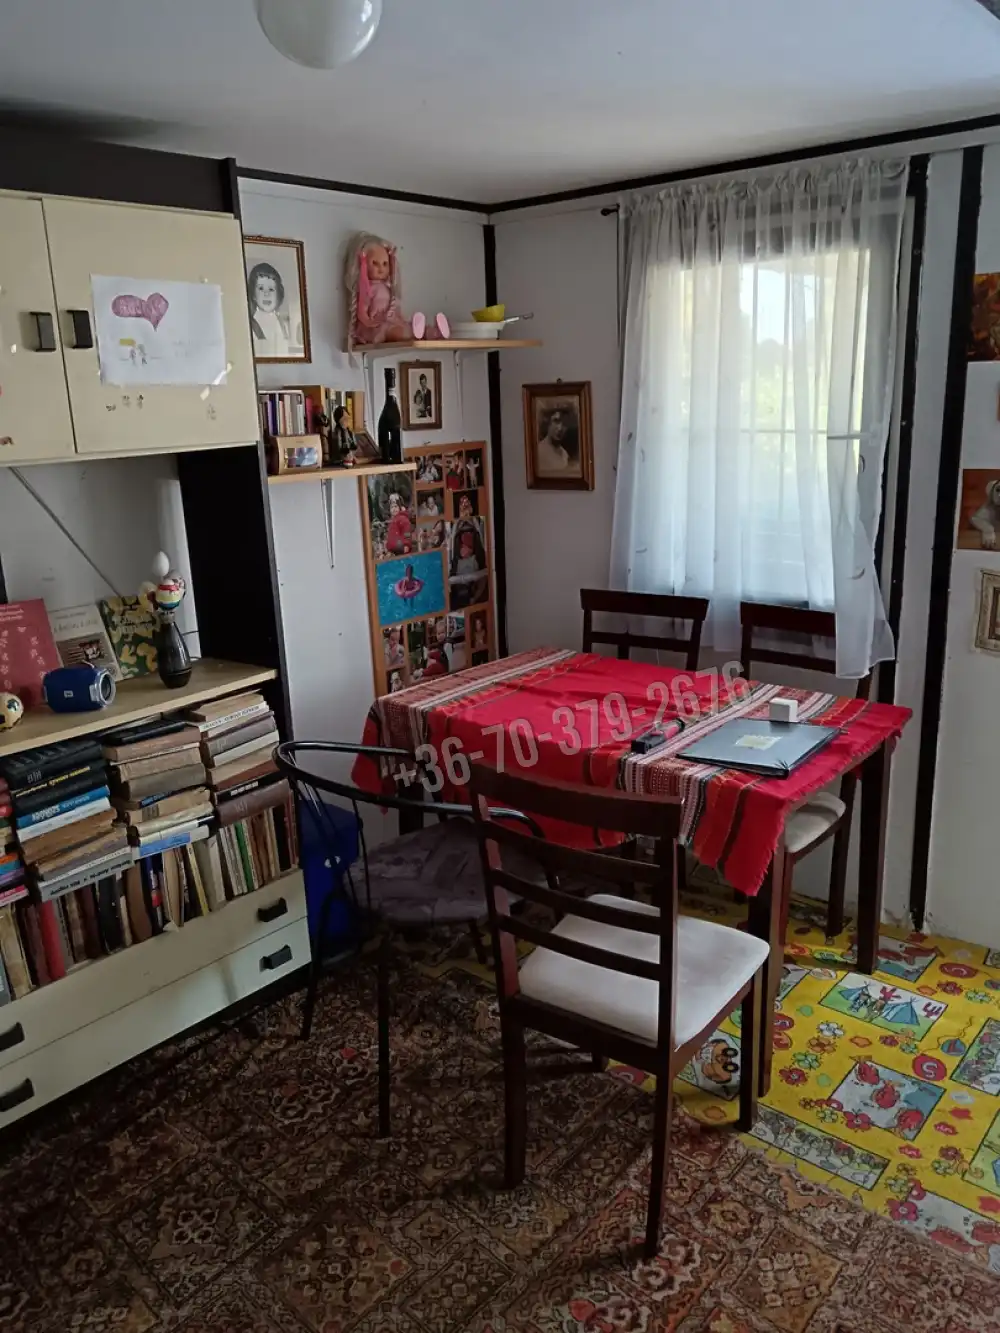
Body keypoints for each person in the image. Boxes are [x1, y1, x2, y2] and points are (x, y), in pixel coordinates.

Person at [248, 262, 292, 357]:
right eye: (261, 288)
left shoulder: (283, 323)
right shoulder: (250, 325)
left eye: (271, 289)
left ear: (278, 294)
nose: (266, 294)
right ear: (253, 295)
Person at [536, 405, 577, 474]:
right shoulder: (539, 451)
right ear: (548, 422)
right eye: (556, 421)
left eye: (565, 424)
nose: (560, 428)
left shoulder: (564, 454)